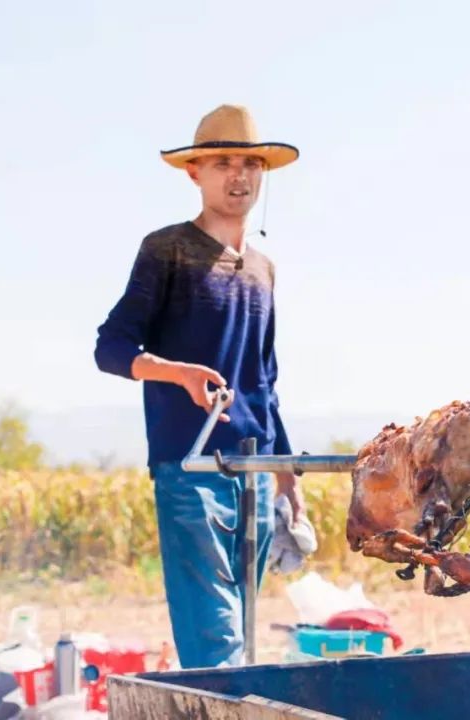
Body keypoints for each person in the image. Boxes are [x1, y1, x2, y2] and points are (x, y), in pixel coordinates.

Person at [94, 104, 314, 668]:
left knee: (245, 633)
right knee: (216, 643)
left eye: (250, 164)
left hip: (255, 470)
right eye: (223, 164)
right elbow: (111, 347)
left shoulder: (263, 269)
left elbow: (264, 379)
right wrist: (178, 373)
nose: (238, 176)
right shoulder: (166, 249)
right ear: (195, 173)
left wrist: (287, 475)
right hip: (190, 467)